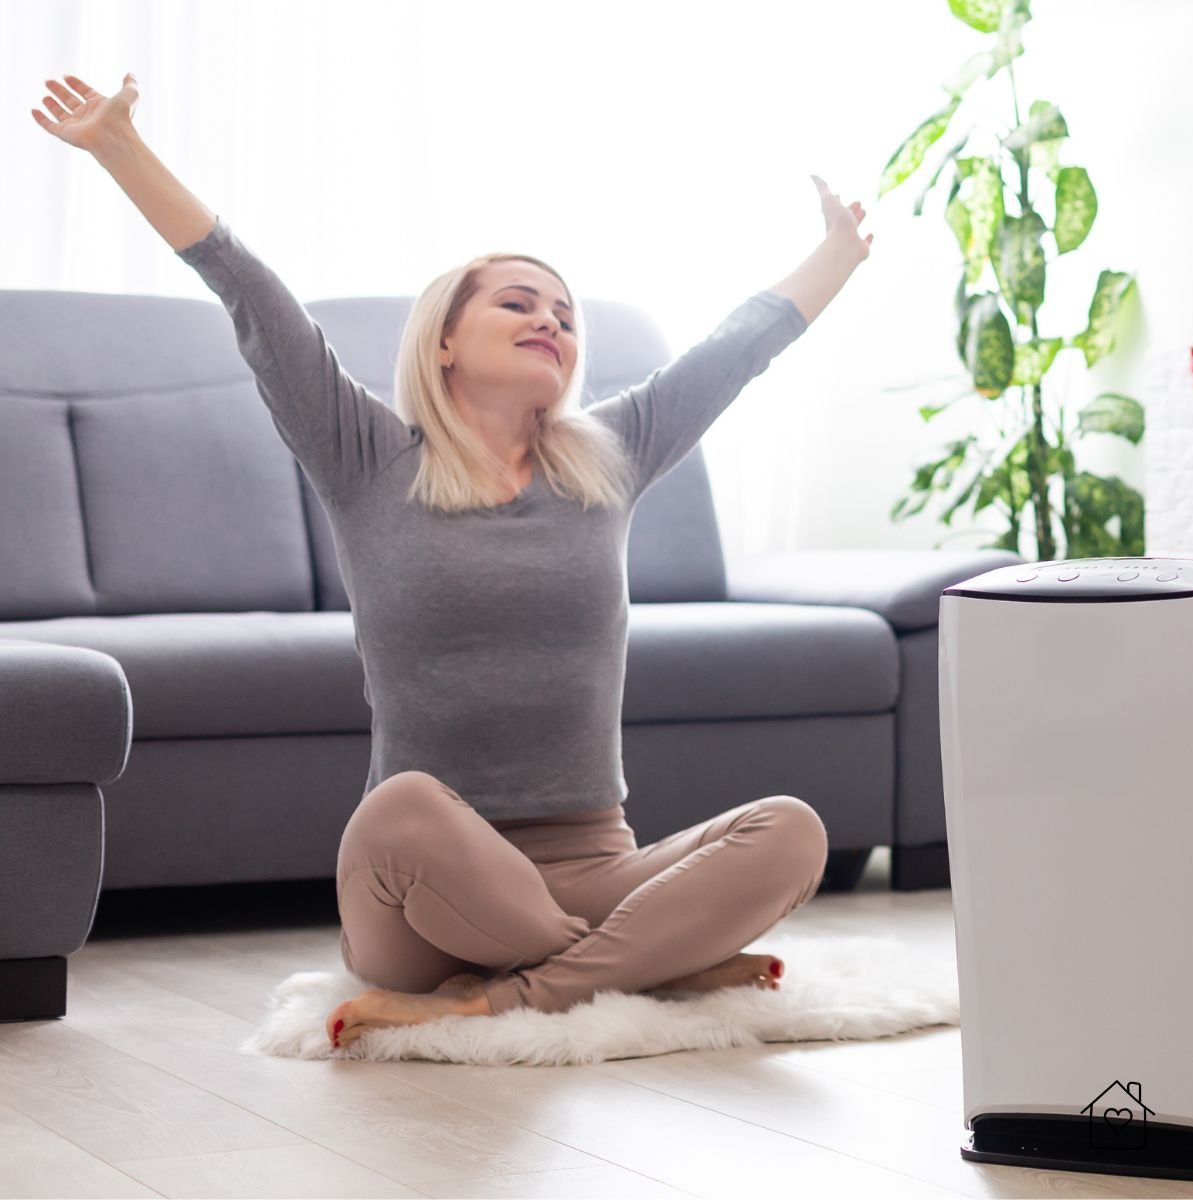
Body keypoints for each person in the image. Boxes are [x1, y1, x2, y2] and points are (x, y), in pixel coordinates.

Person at [33, 72, 873, 1052]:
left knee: (791, 830)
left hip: (596, 861)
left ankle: (514, 996)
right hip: (426, 889)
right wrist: (120, 147)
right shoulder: (367, 455)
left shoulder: (613, 453)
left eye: (564, 314)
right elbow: (251, 295)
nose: (552, 321)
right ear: (442, 343)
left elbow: (739, 349)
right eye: (520, 302)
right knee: (404, 808)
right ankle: (647, 966)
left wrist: (840, 252)